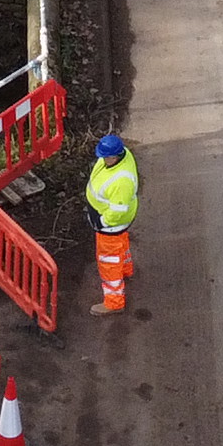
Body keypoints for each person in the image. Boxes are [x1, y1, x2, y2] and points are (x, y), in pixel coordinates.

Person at [85, 131, 139, 315]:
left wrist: (102, 222)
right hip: (116, 225)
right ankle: (125, 269)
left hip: (110, 226)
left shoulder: (122, 181)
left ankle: (114, 302)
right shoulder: (122, 155)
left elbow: (117, 211)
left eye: (106, 157)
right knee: (121, 248)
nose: (103, 159)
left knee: (108, 262)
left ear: (116, 156)